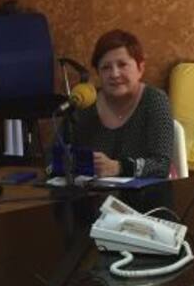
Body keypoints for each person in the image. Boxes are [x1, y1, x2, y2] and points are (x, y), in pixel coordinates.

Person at [72, 28, 173, 178]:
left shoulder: (154, 100)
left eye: (122, 65)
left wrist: (118, 167)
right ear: (98, 73)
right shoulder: (87, 102)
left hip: (143, 191)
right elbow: (53, 156)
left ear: (140, 68)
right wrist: (78, 163)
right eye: (106, 67)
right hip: (91, 189)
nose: (114, 74)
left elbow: (162, 165)